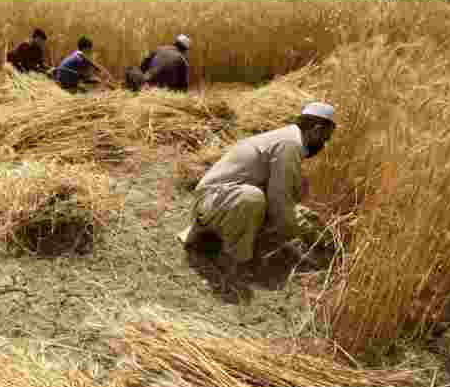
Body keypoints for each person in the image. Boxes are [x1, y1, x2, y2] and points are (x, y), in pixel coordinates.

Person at [177, 102, 336, 272]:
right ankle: (233, 260)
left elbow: (284, 196)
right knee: (253, 198)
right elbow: (280, 203)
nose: (324, 143)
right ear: (317, 130)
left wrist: (306, 227)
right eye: (325, 137)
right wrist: (304, 237)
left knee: (298, 192)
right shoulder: (289, 144)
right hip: (212, 202)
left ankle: (221, 238)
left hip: (223, 200)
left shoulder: (288, 139)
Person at [125, 34, 191, 93]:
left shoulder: (159, 49)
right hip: (166, 91)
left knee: (131, 69)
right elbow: (184, 87)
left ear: (174, 42)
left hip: (147, 85)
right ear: (185, 49)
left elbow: (142, 66)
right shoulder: (183, 61)